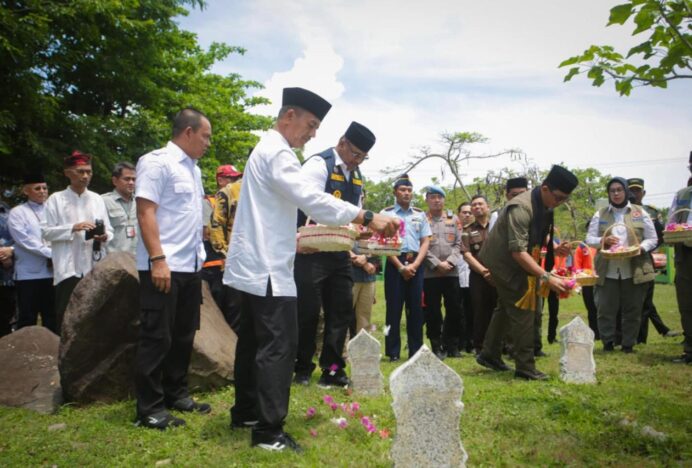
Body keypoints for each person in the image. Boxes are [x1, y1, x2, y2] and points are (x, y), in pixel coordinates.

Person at [223, 87, 398, 453]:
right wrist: (365, 215)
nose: (313, 133)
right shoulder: (279, 153)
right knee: (278, 346)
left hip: (256, 263)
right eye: (311, 124)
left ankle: (247, 412)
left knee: (253, 342)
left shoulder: (268, 149)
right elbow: (311, 199)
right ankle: (269, 433)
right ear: (289, 116)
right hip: (269, 266)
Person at [133, 108, 213, 430]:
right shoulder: (156, 162)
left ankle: (176, 393)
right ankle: (149, 409)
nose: (208, 142)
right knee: (157, 337)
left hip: (190, 265)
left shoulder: (194, 169)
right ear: (189, 132)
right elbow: (145, 212)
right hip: (163, 265)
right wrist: (158, 259)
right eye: (206, 136)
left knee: (183, 334)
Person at [294, 121, 377, 388]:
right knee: (306, 312)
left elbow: (354, 212)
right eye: (355, 154)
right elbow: (309, 202)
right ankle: (301, 367)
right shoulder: (319, 164)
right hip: (311, 251)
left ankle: (332, 369)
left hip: (339, 253)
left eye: (363, 157)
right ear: (342, 143)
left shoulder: (356, 174)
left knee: (340, 312)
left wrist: (360, 231)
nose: (357, 161)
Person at [476, 165, 577, 380]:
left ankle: (489, 354)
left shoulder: (545, 204)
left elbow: (537, 232)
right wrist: (546, 277)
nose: (559, 204)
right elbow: (518, 252)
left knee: (505, 306)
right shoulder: (521, 207)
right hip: (503, 261)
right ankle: (525, 367)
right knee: (524, 306)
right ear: (545, 189)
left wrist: (555, 248)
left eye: (564, 200)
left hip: (518, 258)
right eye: (558, 198)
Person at [43, 151, 113, 333]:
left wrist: (104, 236)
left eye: (88, 172)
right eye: (80, 171)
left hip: (93, 264)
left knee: (94, 312)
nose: (85, 176)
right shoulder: (55, 199)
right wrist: (73, 227)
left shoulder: (97, 199)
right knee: (66, 314)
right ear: (67, 172)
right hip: (68, 267)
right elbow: (46, 232)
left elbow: (109, 229)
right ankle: (63, 354)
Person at [586, 177, 658, 353]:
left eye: (619, 189)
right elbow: (589, 239)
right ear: (608, 194)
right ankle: (608, 342)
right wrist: (603, 240)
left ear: (626, 191)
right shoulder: (600, 213)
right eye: (612, 191)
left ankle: (628, 344)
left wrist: (640, 247)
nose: (616, 193)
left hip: (633, 268)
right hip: (607, 269)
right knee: (605, 308)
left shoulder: (640, 212)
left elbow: (653, 238)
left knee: (633, 309)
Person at [381, 174, 432, 362]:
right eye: (402, 190)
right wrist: (400, 267)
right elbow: (383, 243)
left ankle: (415, 350)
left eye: (409, 190)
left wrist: (416, 264)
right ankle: (392, 352)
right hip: (395, 262)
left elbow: (426, 240)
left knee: (416, 309)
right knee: (393, 310)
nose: (406, 193)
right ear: (395, 192)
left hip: (416, 262)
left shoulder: (419, 214)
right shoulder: (386, 214)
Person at [627, 177, 681, 342]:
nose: (634, 193)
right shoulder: (620, 211)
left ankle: (642, 337)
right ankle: (660, 329)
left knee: (646, 299)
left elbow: (659, 237)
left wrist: (645, 248)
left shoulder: (650, 212)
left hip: (643, 258)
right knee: (635, 301)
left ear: (643, 193)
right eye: (631, 190)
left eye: (637, 190)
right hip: (622, 259)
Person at [7, 174, 56, 333]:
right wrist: (51, 253)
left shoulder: (54, 209)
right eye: (37, 188)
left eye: (44, 188)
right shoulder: (17, 212)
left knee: (53, 317)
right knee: (28, 319)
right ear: (26, 191)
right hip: (29, 275)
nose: (42, 191)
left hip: (53, 272)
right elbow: (24, 241)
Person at [422, 186, 464, 359]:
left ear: (444, 200)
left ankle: (452, 345)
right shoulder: (422, 220)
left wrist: (449, 262)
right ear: (426, 200)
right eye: (432, 197)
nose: (436, 200)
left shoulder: (453, 219)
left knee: (454, 309)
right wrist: (437, 264)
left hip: (451, 272)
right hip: (430, 273)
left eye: (439, 197)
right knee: (432, 310)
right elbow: (421, 244)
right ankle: (436, 345)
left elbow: (458, 244)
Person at [203, 164, 243, 331]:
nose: (234, 181)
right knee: (217, 310)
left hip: (234, 264)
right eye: (230, 178)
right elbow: (207, 231)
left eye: (235, 178)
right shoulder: (209, 201)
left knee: (235, 310)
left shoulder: (239, 196)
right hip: (214, 264)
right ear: (220, 179)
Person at [462, 195, 498, 356]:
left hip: (499, 275)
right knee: (480, 312)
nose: (477, 207)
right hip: (478, 276)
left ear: (487, 207)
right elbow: (467, 255)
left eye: (480, 204)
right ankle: (480, 347)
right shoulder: (467, 230)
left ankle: (500, 345)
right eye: (474, 205)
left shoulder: (499, 226)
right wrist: (484, 272)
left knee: (499, 310)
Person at [668, 152, 692, 364]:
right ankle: (690, 350)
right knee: (686, 303)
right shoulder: (682, 194)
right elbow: (670, 223)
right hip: (685, 255)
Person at [102, 162, 137, 255]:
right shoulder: (103, 201)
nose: (131, 182)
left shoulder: (140, 202)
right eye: (127, 179)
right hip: (113, 262)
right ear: (115, 181)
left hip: (138, 261)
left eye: (134, 179)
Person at [456, 202, 474, 353]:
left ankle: (471, 342)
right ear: (458, 214)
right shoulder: (453, 229)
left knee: (472, 311)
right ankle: (459, 342)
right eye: (464, 212)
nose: (467, 215)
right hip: (456, 276)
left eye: (469, 212)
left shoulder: (476, 231)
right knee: (458, 311)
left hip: (473, 276)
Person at [0, 200, 15, 337]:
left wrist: (10, 251)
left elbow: (22, 238)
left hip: (8, 275)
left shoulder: (12, 213)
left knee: (7, 318)